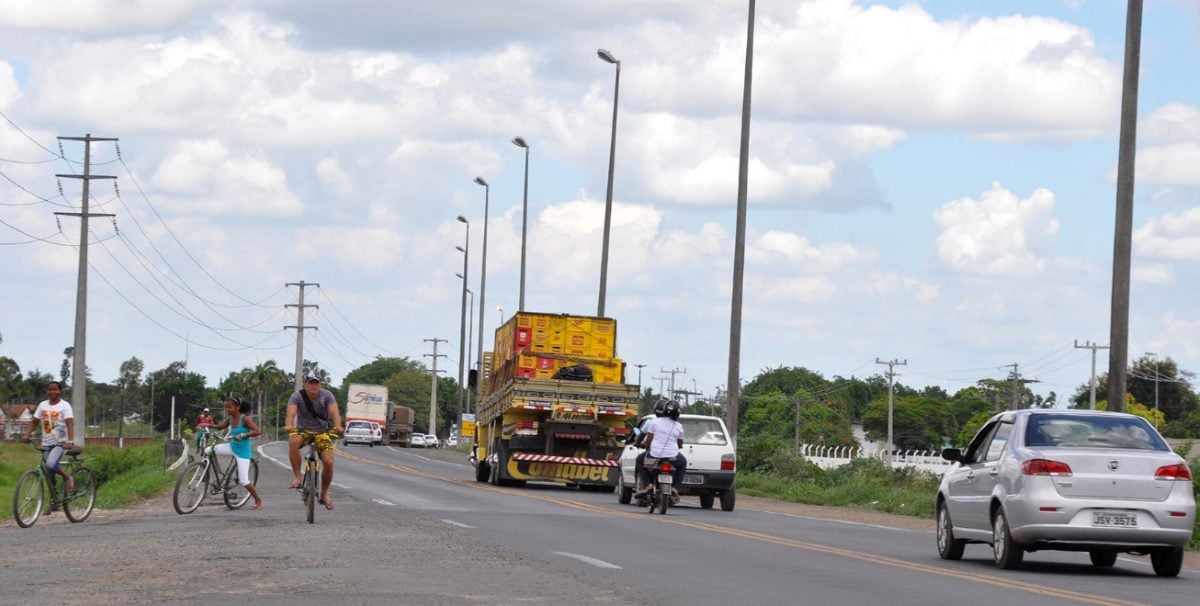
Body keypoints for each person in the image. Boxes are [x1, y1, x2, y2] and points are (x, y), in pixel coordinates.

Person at [284, 376, 343, 510]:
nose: (313, 386)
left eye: (316, 383)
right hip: (303, 431)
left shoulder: (327, 395)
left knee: (328, 462)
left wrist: (338, 425)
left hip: (322, 432)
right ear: (305, 384)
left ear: (319, 384)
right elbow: (291, 414)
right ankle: (298, 477)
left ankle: (324, 493)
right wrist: (288, 424)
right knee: (293, 441)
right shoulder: (297, 396)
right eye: (310, 383)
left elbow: (334, 413)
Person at [20, 381, 75, 510]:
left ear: (60, 391)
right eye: (50, 390)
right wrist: (26, 434)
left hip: (60, 442)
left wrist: (70, 441)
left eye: (55, 389)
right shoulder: (43, 405)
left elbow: (70, 424)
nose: (52, 392)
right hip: (46, 443)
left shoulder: (64, 406)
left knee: (50, 465)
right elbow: (34, 422)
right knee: (49, 473)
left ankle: (68, 478)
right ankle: (55, 500)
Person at [205, 396, 264, 510]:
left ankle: (258, 500)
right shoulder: (230, 419)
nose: (228, 409)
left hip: (242, 452)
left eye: (230, 407)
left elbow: (257, 431)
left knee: (244, 481)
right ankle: (206, 475)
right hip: (231, 446)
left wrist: (243, 435)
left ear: (238, 407)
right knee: (208, 450)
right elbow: (220, 427)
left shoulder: (244, 419)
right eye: (226, 407)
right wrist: (209, 426)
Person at [636, 398, 687, 498]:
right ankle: (675, 488)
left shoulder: (655, 422)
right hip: (673, 457)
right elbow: (680, 444)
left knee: (639, 460)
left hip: (654, 455)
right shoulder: (679, 426)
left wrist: (647, 447)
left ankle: (649, 484)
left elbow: (648, 440)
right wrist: (678, 446)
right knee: (683, 463)